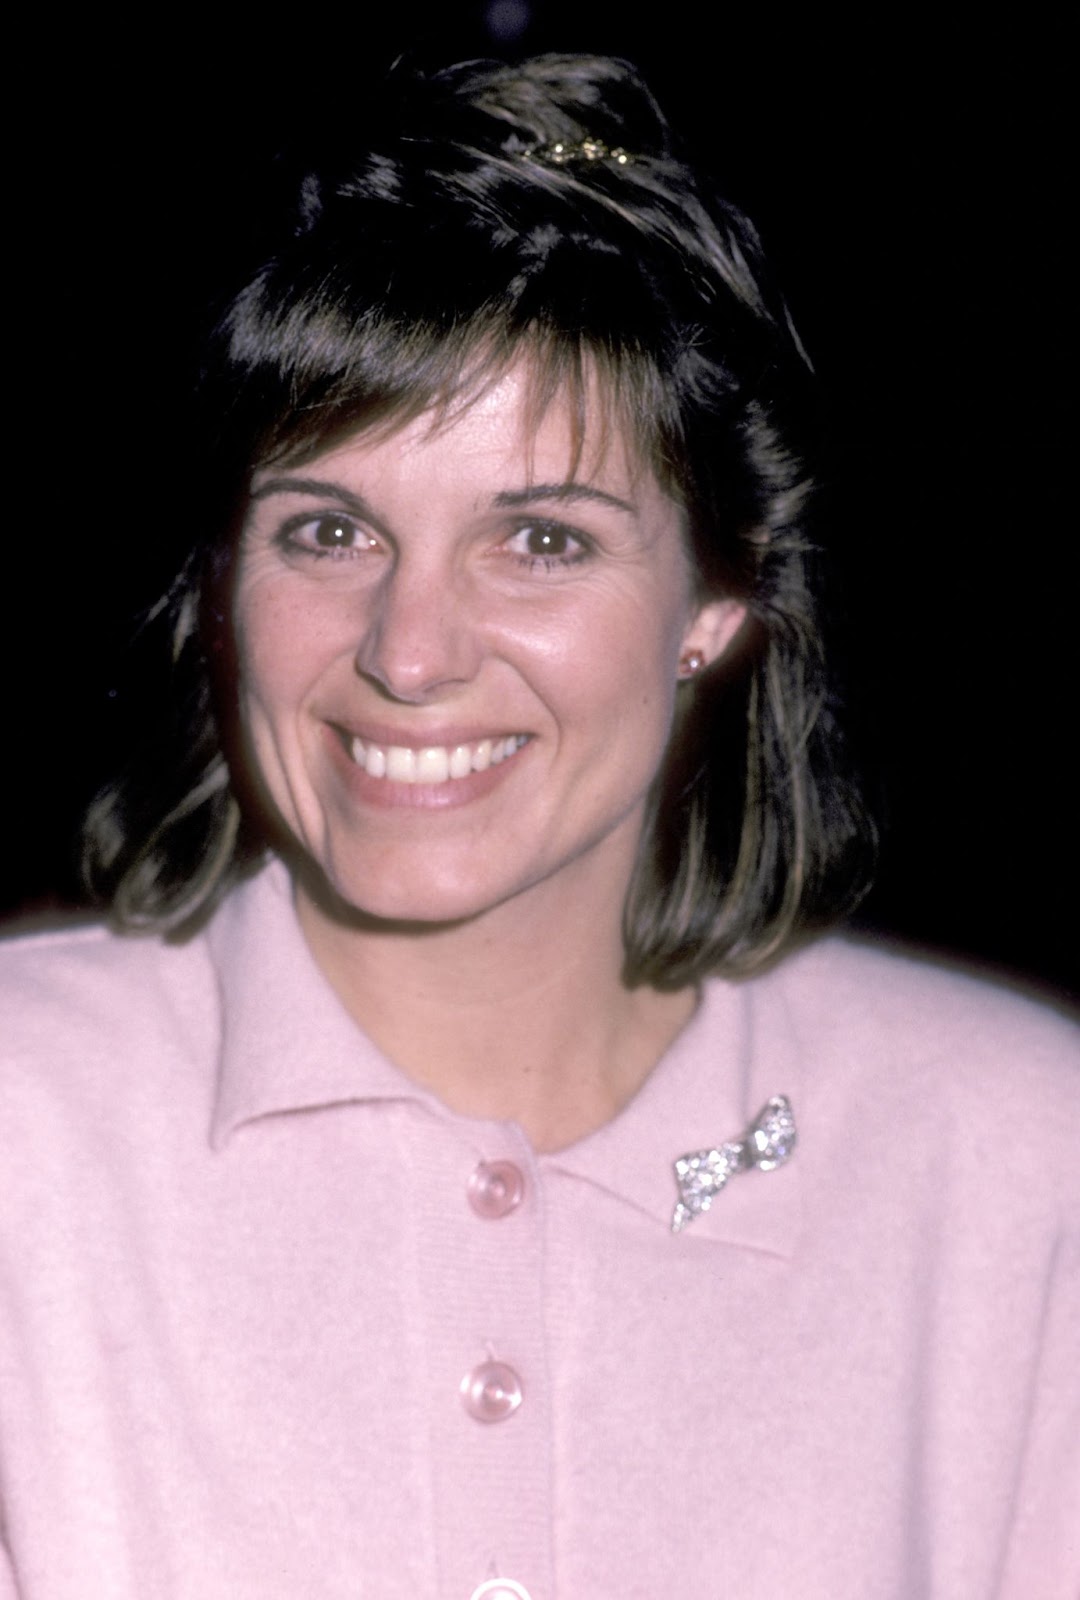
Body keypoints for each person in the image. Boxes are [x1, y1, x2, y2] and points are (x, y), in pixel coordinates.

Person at [1, 53, 1076, 1600]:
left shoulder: (1020, 1164)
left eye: (541, 539)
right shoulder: (23, 1127)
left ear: (719, 594)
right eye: (327, 529)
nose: (409, 649)